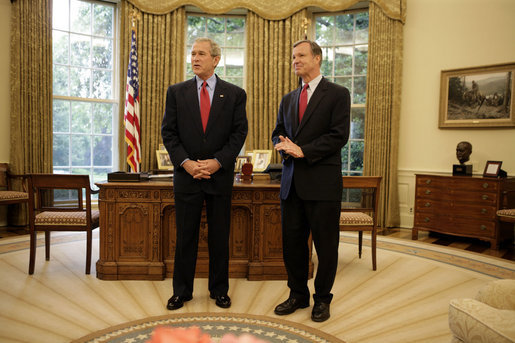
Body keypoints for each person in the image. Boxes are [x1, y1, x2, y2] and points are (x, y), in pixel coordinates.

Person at [161, 37, 248, 310]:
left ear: (216, 60)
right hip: (186, 176)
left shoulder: (235, 94)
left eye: (201, 54)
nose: (195, 58)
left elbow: (238, 134)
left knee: (219, 236)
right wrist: (186, 163)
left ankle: (219, 290)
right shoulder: (176, 92)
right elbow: (169, 133)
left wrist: (217, 162)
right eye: (193, 54)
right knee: (185, 236)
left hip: (219, 176)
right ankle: (182, 291)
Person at [271, 40, 350, 322]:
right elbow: (277, 132)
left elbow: (339, 135)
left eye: (301, 55)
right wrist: (282, 144)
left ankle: (322, 299)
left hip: (322, 183)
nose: (295, 61)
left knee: (326, 246)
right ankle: (297, 295)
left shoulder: (338, 94)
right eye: (293, 56)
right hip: (291, 184)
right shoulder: (289, 99)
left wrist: (303, 150)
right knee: (292, 244)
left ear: (317, 58)